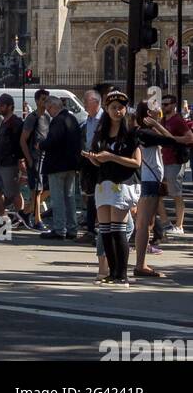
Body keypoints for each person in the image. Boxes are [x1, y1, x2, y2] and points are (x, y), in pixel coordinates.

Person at [81, 89, 141, 285]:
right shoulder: (101, 131)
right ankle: (112, 272)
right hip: (103, 182)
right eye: (113, 108)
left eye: (121, 108)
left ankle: (121, 274)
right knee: (105, 230)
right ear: (106, 109)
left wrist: (111, 157)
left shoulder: (130, 132)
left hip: (122, 184)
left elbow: (136, 162)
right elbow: (100, 161)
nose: (117, 111)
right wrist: (95, 159)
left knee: (118, 229)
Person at [133, 100, 172, 278]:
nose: (159, 109)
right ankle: (140, 265)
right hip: (150, 181)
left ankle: (141, 263)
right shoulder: (147, 133)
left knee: (146, 223)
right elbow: (171, 139)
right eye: (154, 108)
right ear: (148, 114)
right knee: (143, 225)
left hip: (150, 180)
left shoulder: (144, 132)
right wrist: (157, 124)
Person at [40, 94, 81, 239]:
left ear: (52, 107)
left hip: (57, 165)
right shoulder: (72, 119)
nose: (47, 112)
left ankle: (59, 229)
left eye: (48, 109)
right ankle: (72, 228)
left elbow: (52, 141)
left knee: (57, 198)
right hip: (71, 165)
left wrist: (41, 144)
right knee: (69, 198)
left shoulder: (58, 121)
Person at [0, 94, 27, 227]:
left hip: (10, 162)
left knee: (13, 192)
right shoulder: (4, 121)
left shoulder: (15, 123)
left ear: (10, 106)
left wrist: (20, 160)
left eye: (2, 105)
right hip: (0, 161)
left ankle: (20, 217)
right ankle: (2, 215)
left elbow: (20, 143)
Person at [160, 94, 193, 235]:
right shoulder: (162, 120)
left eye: (166, 104)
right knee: (157, 195)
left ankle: (179, 226)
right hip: (163, 161)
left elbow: (190, 137)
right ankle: (166, 223)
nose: (164, 106)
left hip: (174, 162)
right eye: (163, 104)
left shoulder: (178, 120)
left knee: (176, 194)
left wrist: (173, 139)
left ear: (173, 105)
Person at [19, 88, 51, 230]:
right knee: (36, 190)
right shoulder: (32, 118)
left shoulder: (47, 117)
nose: (45, 102)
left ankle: (26, 212)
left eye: (47, 99)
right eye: (43, 99)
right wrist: (29, 160)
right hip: (35, 158)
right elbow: (23, 140)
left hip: (45, 159)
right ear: (37, 101)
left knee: (45, 189)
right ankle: (37, 219)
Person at [79, 89, 103, 237]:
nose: (84, 105)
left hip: (101, 161)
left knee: (98, 195)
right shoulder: (88, 119)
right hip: (88, 161)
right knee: (90, 195)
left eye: (86, 102)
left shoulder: (104, 119)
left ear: (95, 102)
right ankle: (90, 229)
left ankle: (95, 229)